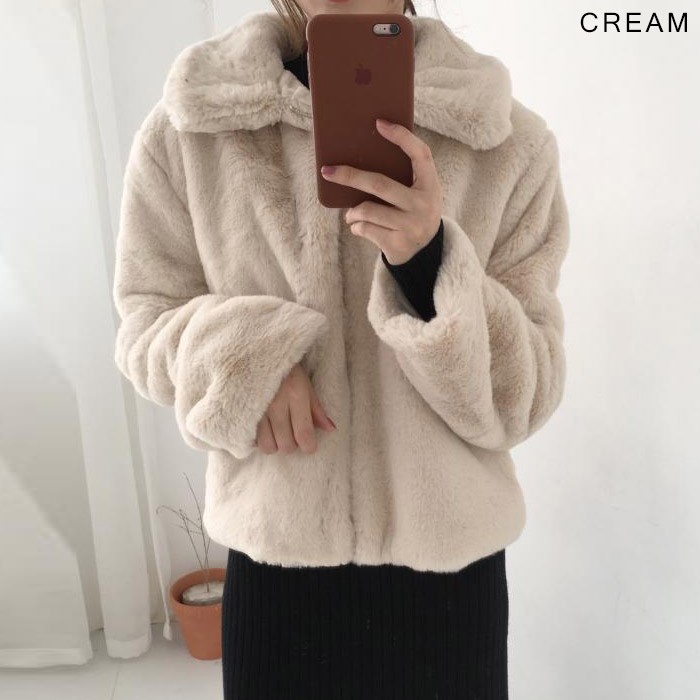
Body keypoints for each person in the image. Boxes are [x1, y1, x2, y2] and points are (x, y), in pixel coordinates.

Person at [112, 1, 570, 698]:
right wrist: (246, 359)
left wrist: (430, 260)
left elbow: (524, 396)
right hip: (279, 570)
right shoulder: (190, 130)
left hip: (447, 584)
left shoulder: (507, 143)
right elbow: (145, 322)